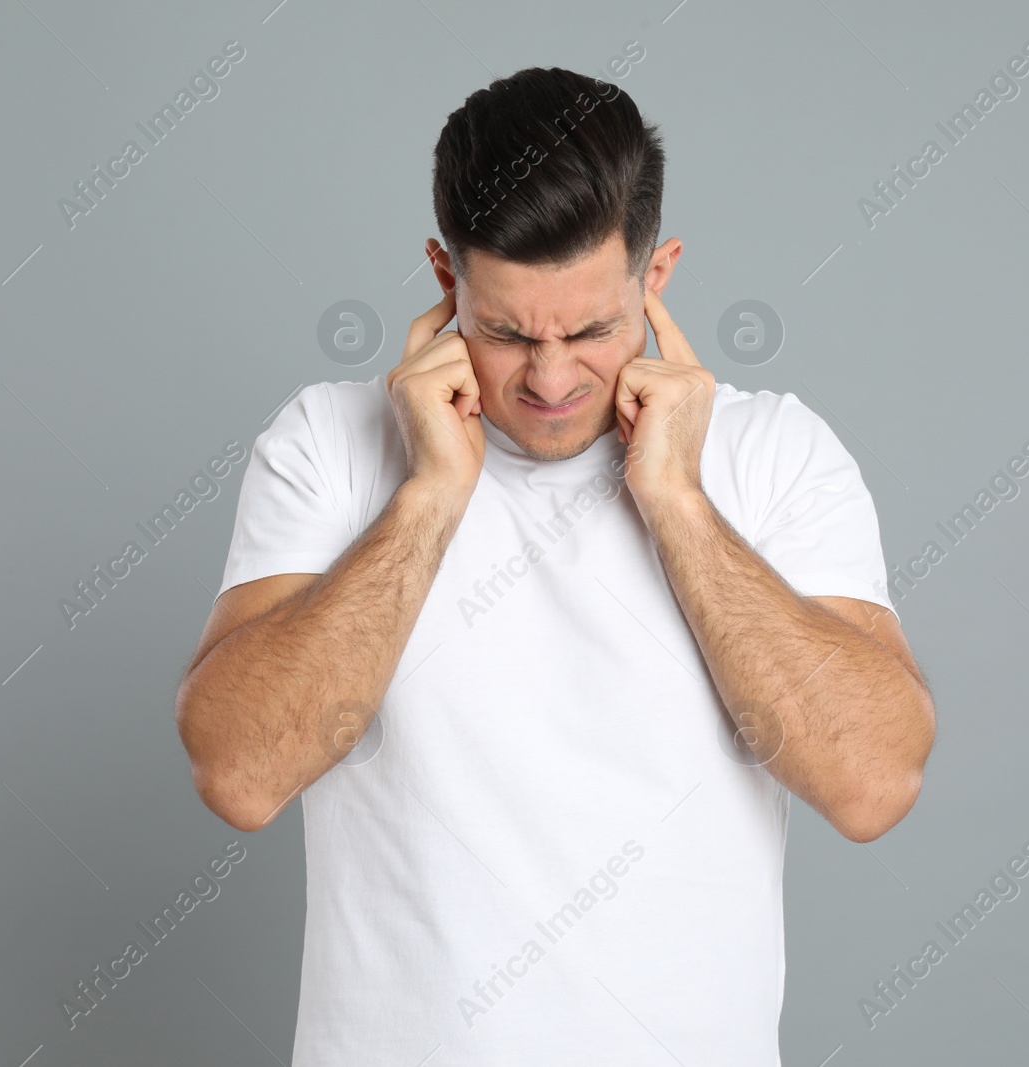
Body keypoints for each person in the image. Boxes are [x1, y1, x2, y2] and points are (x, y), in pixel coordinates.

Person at [175, 65, 935, 1066]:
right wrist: (427, 498)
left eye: (588, 330)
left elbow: (871, 783)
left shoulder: (776, 455)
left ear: (655, 279)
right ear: (446, 282)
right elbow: (239, 773)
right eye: (503, 331)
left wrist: (675, 502)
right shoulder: (327, 443)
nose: (548, 376)